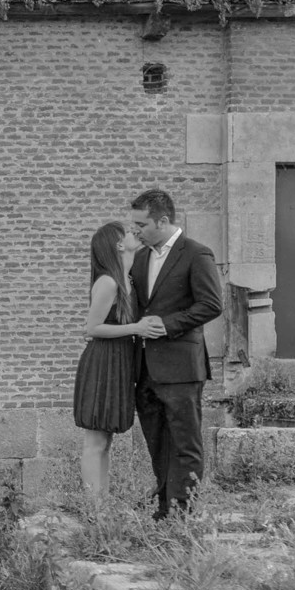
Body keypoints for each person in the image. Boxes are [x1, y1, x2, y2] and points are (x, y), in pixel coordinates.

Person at [126, 189, 223, 519]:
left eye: (140, 224)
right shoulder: (140, 258)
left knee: (185, 443)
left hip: (182, 367)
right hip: (146, 369)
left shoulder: (196, 254)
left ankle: (183, 515)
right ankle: (164, 509)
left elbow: (211, 305)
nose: (135, 230)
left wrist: (166, 325)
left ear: (162, 221)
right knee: (157, 441)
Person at [73, 220, 160, 500]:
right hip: (103, 363)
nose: (134, 233)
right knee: (96, 440)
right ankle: (93, 509)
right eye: (127, 233)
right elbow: (92, 328)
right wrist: (136, 328)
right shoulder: (109, 282)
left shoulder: (127, 279)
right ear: (118, 245)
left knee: (106, 440)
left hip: (118, 362)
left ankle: (103, 505)